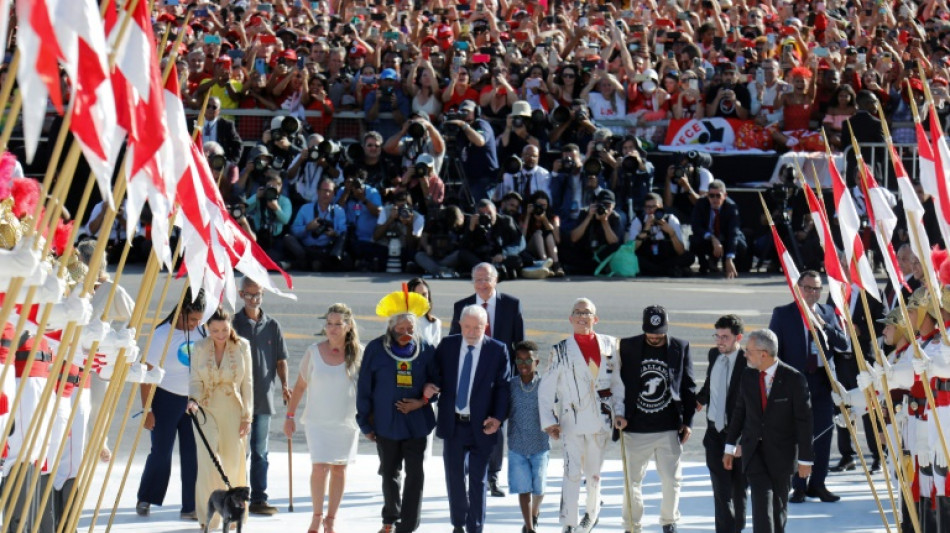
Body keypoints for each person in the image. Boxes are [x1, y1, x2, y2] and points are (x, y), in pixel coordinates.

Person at [356, 288, 438, 533]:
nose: (406, 334)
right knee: (390, 474)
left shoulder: (426, 350)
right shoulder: (375, 349)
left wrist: (422, 401)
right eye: (400, 329)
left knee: (415, 475)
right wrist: (365, 424)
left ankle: (409, 525)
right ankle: (390, 518)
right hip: (386, 423)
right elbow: (364, 388)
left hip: (416, 424)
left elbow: (437, 384)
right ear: (391, 327)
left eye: (410, 329)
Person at [539, 299, 623, 533]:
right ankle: (569, 520)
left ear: (595, 319)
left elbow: (618, 383)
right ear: (570, 318)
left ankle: (591, 514)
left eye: (587, 313)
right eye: (577, 312)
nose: (582, 317)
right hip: (571, 420)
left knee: (594, 473)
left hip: (601, 420)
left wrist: (621, 412)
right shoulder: (560, 350)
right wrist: (549, 422)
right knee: (571, 471)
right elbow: (546, 389)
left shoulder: (610, 345)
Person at [768, 271, 850, 504]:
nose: (813, 293)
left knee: (823, 435)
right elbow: (774, 352)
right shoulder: (783, 314)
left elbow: (844, 344)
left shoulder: (827, 313)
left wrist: (823, 324)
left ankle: (818, 484)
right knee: (797, 437)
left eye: (817, 289)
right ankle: (798, 485)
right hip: (796, 384)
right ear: (798, 288)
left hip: (823, 383)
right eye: (808, 288)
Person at [723, 329, 815, 533]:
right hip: (753, 451)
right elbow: (739, 412)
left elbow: (804, 422)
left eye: (749, 350)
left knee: (778, 510)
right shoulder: (747, 376)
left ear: (763, 354)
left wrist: (805, 461)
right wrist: (729, 447)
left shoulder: (794, 379)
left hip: (782, 455)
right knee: (761, 501)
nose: (745, 354)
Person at [284, 303, 363, 533]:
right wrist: (290, 415)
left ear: (348, 326)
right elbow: (299, 387)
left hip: (346, 422)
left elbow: (370, 389)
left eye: (338, 324)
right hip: (318, 421)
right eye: (329, 324)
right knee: (319, 468)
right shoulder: (313, 351)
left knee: (339, 469)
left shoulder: (359, 353)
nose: (332, 328)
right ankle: (317, 516)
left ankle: (331, 519)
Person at [430, 304, 510, 533]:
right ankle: (458, 524)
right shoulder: (448, 345)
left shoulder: (497, 350)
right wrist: (430, 386)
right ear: (460, 326)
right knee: (454, 479)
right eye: (468, 327)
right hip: (453, 423)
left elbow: (503, 388)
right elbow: (435, 374)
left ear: (486, 326)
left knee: (478, 480)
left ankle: (475, 527)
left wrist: (497, 418)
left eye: (478, 327)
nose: (473, 332)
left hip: (483, 426)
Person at [618, 305, 697, 533]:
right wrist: (617, 413)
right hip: (634, 428)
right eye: (650, 332)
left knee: (672, 480)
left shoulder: (679, 347)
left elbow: (689, 386)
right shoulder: (627, 346)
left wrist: (688, 422)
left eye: (658, 333)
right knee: (631, 482)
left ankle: (668, 522)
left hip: (668, 428)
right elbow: (615, 382)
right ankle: (632, 526)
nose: (654, 337)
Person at [449, 262, 525, 496]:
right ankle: (467, 473)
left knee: (496, 423)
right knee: (466, 423)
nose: (482, 284)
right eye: (478, 279)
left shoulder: (511, 305)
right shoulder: (462, 306)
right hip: (469, 375)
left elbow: (519, 343)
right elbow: (453, 341)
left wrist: (520, 376)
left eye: (487, 279)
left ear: (496, 279)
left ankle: (493, 476)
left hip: (499, 377)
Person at [136, 288, 206, 520]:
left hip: (192, 401)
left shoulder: (201, 331)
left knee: (192, 453)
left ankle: (190, 506)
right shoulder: (161, 335)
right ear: (181, 312)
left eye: (199, 319)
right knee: (161, 451)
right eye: (192, 319)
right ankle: (146, 496)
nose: (196, 324)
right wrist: (147, 410)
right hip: (165, 399)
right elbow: (146, 374)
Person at [186, 308, 253, 531]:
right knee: (207, 463)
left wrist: (247, 416)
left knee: (233, 462)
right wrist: (193, 400)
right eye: (215, 330)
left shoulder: (242, 346)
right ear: (207, 328)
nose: (221, 334)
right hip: (205, 409)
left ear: (230, 325)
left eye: (225, 329)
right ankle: (208, 518)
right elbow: (195, 379)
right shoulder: (199, 347)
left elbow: (248, 384)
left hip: (234, 409)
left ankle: (235, 515)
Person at [231, 277, 291, 515]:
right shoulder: (233, 324)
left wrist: (285, 384)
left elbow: (280, 359)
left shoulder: (272, 325)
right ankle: (236, 495)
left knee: (260, 451)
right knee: (239, 450)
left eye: (257, 295)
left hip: (264, 397)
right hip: (238, 398)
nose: (253, 299)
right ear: (240, 294)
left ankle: (258, 498)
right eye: (249, 295)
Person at [696, 315, 748, 533]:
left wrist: (742, 440)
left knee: (738, 490)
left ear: (738, 337)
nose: (719, 341)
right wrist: (698, 401)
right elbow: (711, 383)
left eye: (725, 337)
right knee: (721, 491)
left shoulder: (748, 361)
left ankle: (738, 528)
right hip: (714, 434)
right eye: (717, 336)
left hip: (737, 436)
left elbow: (753, 406)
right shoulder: (713, 354)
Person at [508, 341, 550, 533]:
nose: (523, 364)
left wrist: (555, 426)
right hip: (517, 445)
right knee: (523, 489)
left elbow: (555, 410)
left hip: (539, 444)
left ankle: (534, 512)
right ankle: (530, 527)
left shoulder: (545, 385)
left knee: (539, 489)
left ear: (537, 362)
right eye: (519, 360)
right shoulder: (510, 385)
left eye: (528, 360)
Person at [285, 177, 347, 272]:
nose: (326, 194)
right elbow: (294, 230)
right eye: (324, 191)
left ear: (334, 194)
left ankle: (305, 264)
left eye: (329, 191)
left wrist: (334, 233)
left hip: (326, 248)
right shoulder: (305, 208)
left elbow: (343, 232)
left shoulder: (338, 211)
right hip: (306, 248)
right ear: (318, 192)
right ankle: (312, 263)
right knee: (288, 238)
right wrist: (307, 227)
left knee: (344, 258)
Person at [689, 180, 747, 278]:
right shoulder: (701, 204)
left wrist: (729, 258)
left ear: (725, 196)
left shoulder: (732, 207)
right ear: (707, 195)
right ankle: (704, 265)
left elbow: (733, 232)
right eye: (711, 196)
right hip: (708, 239)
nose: (715, 199)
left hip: (725, 238)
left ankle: (729, 263)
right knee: (695, 241)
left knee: (741, 244)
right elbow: (696, 226)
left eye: (718, 196)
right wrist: (712, 238)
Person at [445, 99, 498, 205]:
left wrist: (464, 126)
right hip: (470, 178)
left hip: (486, 177)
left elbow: (480, 141)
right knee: (462, 204)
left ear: (476, 112)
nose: (466, 115)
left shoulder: (482, 125)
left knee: (482, 206)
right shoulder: (460, 129)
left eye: (468, 112)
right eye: (463, 112)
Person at [628, 193, 693, 278]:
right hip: (648, 258)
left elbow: (680, 251)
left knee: (689, 257)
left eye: (654, 207)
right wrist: (645, 230)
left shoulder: (671, 219)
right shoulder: (638, 221)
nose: (651, 211)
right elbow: (631, 249)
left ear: (661, 207)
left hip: (667, 258)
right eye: (648, 207)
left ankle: (655, 271)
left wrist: (671, 232)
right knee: (633, 259)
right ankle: (668, 271)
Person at [457, 199, 524, 279]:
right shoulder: (473, 222)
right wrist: (471, 229)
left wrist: (504, 254)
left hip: (500, 256)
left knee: (519, 259)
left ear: (495, 211)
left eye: (489, 213)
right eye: (482, 214)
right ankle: (486, 271)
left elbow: (520, 242)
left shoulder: (506, 221)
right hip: (482, 258)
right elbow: (463, 247)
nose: (486, 216)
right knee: (463, 254)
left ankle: (492, 271)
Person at [200, 96, 243, 163]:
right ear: (203, 107)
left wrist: (231, 163)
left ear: (219, 111)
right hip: (197, 162)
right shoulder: (191, 123)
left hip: (219, 164)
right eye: (208, 106)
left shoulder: (227, 125)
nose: (210, 109)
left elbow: (238, 145)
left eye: (214, 107)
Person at [408, 278, 442, 347]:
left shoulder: (435, 323)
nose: (420, 299)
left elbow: (436, 352)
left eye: (424, 295)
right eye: (416, 295)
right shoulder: (398, 322)